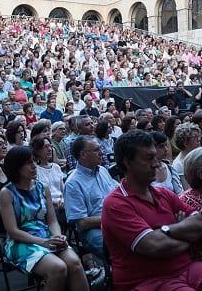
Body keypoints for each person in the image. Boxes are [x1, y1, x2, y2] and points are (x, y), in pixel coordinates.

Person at [102, 131, 202, 290]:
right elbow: (155, 246)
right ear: (128, 162)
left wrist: (165, 230)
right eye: (149, 158)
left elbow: (199, 223)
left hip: (187, 269)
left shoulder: (164, 194)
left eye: (156, 156)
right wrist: (187, 234)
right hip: (149, 282)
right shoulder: (116, 204)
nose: (157, 163)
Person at [0, 146, 89, 291]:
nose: (34, 166)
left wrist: (58, 236)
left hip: (45, 234)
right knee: (58, 268)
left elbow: (52, 221)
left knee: (75, 263)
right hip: (20, 242)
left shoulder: (42, 187)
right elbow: (13, 231)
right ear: (16, 168)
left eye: (34, 161)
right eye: (28, 163)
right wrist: (43, 242)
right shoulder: (7, 193)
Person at [64, 135, 117, 257]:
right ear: (83, 155)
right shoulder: (73, 183)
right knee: (118, 247)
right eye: (96, 150)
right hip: (94, 229)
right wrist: (113, 218)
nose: (102, 152)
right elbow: (82, 223)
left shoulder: (103, 170)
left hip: (115, 219)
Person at [33, 136, 65, 227]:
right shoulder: (35, 170)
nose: (49, 149)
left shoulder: (56, 167)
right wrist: (53, 203)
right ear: (37, 150)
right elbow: (38, 194)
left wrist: (63, 200)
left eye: (50, 146)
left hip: (61, 203)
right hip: (47, 206)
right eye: (45, 147)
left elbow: (62, 189)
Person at [173, 122, 201, 189]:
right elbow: (188, 189)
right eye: (195, 137)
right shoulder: (179, 164)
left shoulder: (197, 156)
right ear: (185, 142)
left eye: (199, 136)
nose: (199, 139)